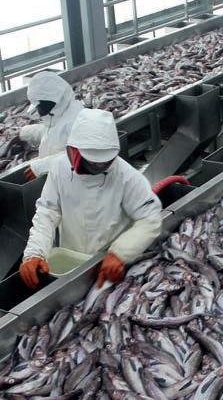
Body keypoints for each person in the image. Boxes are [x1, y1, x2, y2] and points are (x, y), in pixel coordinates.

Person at [19, 108, 162, 289]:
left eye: (105, 162)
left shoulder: (128, 177)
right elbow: (48, 211)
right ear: (73, 150)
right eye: (93, 162)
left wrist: (120, 253)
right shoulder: (59, 168)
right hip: (71, 262)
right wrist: (34, 253)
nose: (98, 167)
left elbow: (150, 219)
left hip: (110, 267)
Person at [19, 71, 83, 180]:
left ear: (50, 101)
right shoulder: (61, 112)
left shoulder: (76, 119)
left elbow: (82, 156)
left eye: (39, 106)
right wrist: (25, 132)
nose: (38, 111)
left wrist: (42, 167)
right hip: (56, 177)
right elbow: (53, 133)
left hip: (71, 180)